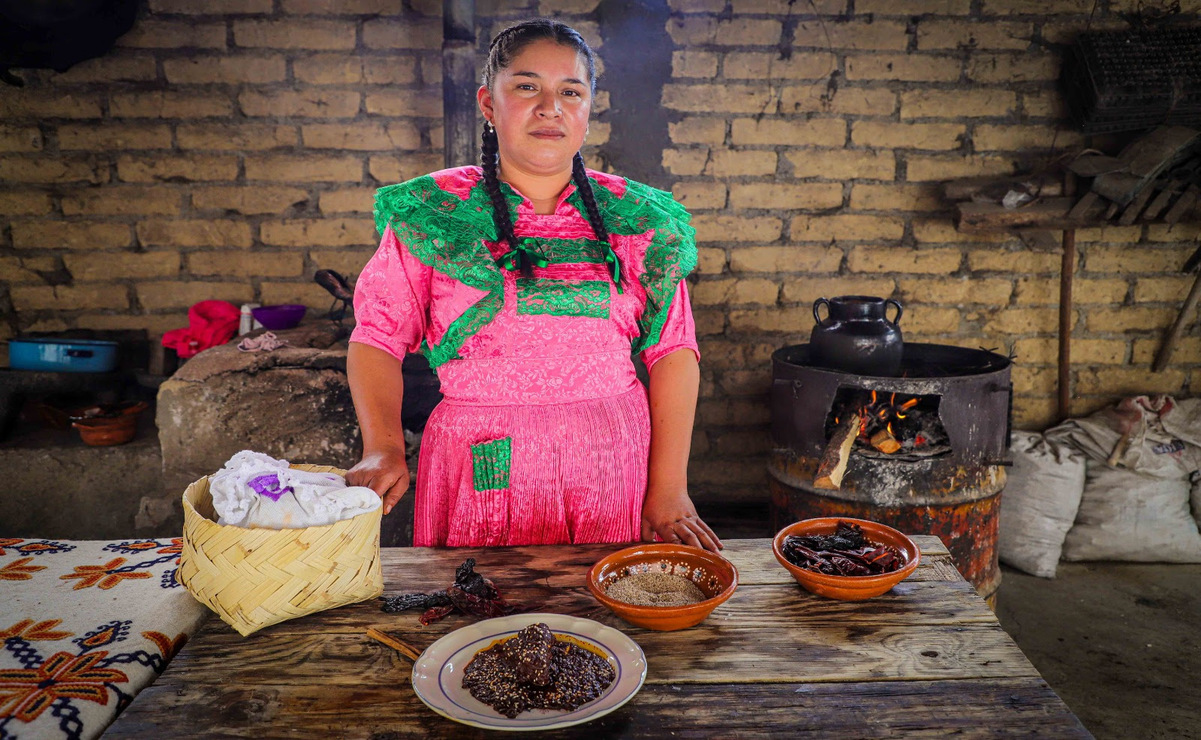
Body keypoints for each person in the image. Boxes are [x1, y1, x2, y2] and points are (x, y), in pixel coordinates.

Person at [345, 18, 721, 553]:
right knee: (475, 616)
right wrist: (382, 447)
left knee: (598, 621)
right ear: (488, 104)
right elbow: (377, 337)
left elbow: (674, 351)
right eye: (527, 87)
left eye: (571, 91)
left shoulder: (638, 219)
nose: (551, 107)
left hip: (610, 458)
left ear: (588, 108)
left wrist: (668, 489)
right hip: (480, 460)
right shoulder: (437, 213)